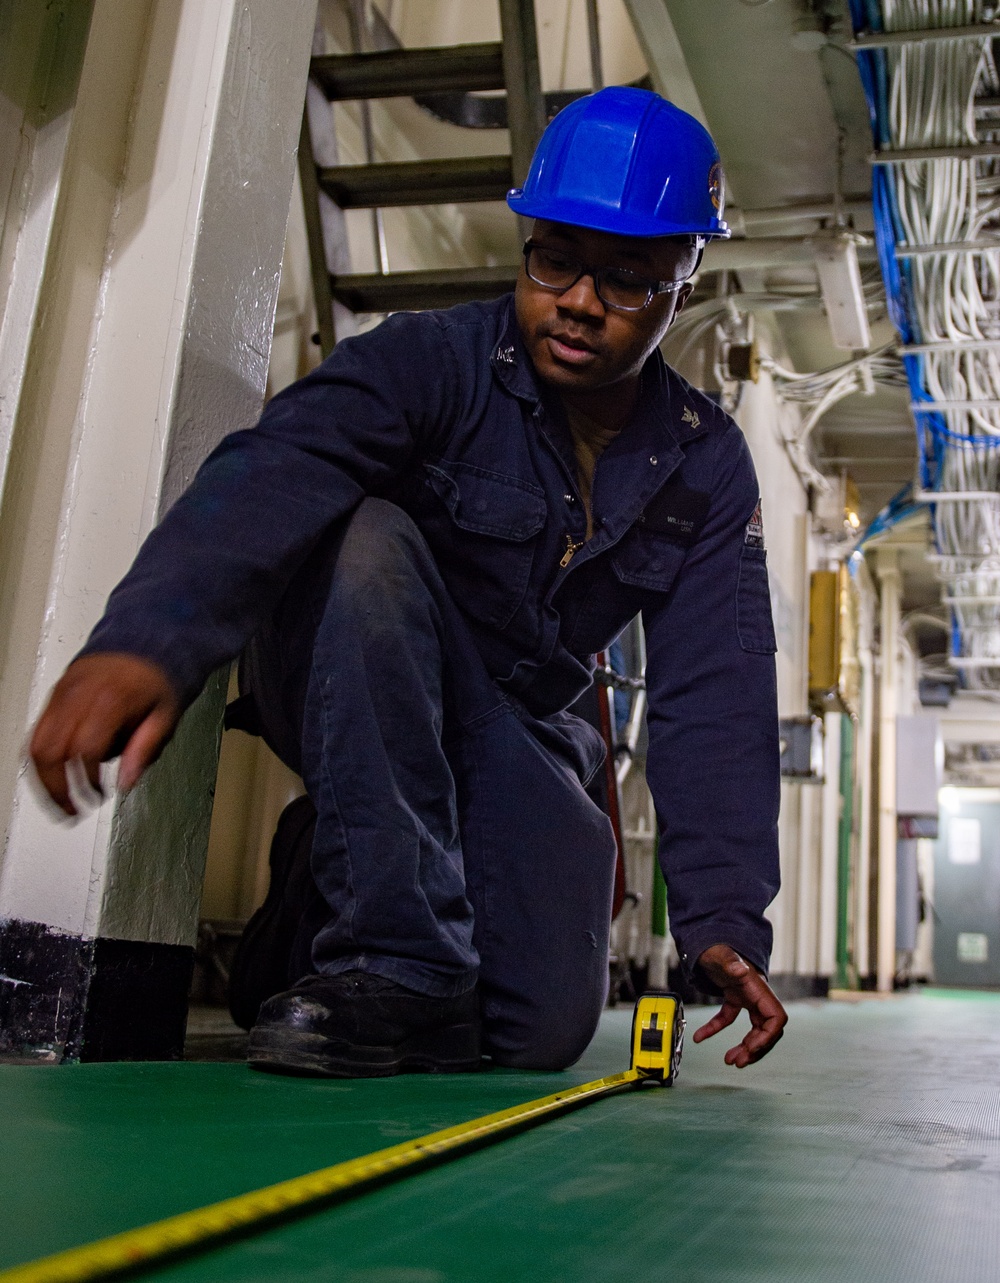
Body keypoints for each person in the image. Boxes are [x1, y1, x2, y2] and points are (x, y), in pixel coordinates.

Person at [29, 87, 787, 1077]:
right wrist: (147, 640)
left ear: (684, 278)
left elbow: (715, 691)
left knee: (538, 1032)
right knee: (367, 536)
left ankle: (313, 896)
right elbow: (270, 470)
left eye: (627, 277)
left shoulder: (704, 464)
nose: (578, 299)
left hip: (513, 716)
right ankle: (391, 950)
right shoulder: (429, 361)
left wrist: (722, 915)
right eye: (555, 256)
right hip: (356, 660)